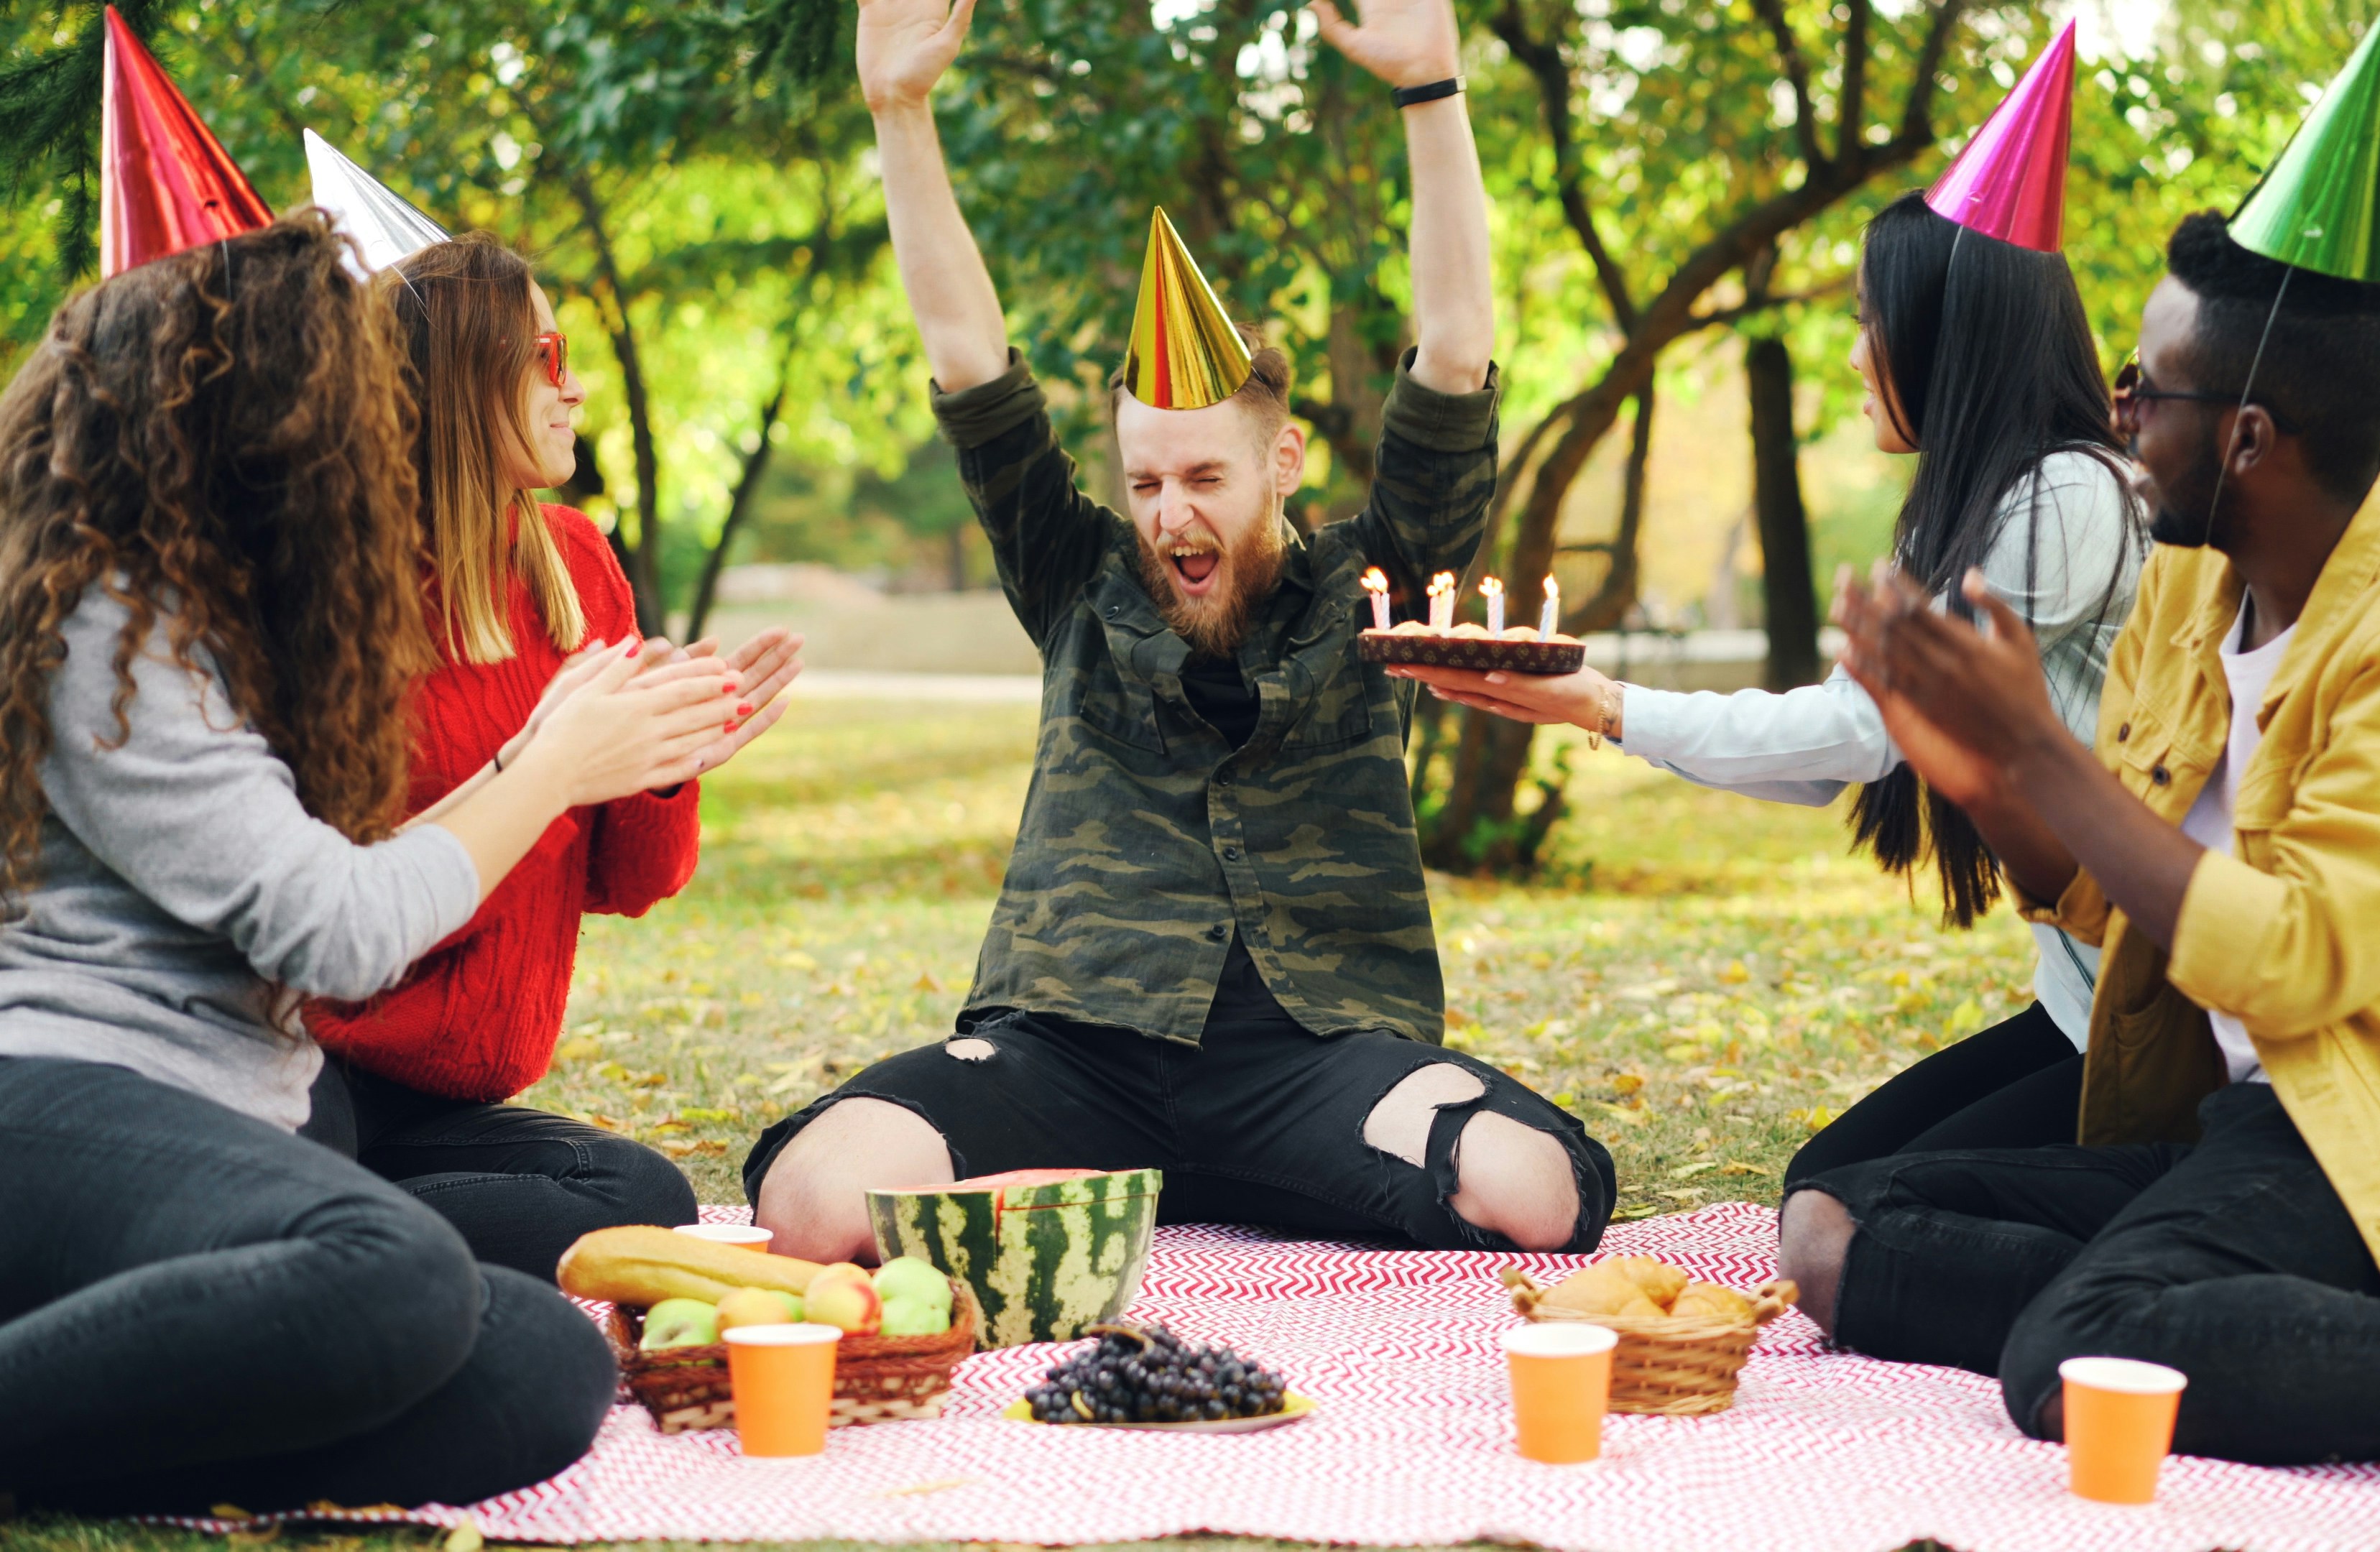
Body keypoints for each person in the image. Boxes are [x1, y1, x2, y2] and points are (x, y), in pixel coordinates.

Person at [1786, 17, 2380, 1468]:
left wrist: (2041, 755)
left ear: (2249, 438)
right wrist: (1990, 781)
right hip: (2248, 1124)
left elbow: (2293, 960)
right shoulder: (2190, 585)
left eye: (2146, 391)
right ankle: (2237, 1324)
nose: (2116, 411)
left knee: (2075, 1356)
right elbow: (2106, 900)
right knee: (1836, 1224)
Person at [745, 0, 1614, 1264]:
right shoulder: (1075, 573)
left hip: (1314, 1065)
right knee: (818, 1201)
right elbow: (969, 359)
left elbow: (1455, 350)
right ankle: (1103, 1182)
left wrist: (1433, 92)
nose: (1168, 514)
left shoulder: (1376, 587)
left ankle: (1189, 1190)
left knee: (1534, 1191)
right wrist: (900, 109)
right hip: (1069, 1055)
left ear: (1283, 464)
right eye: (1146, 481)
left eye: (1204, 476)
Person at [0, 215, 744, 1512]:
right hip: (66, 1095)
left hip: (238, 1126)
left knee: (543, 1366)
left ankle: (90, 1435)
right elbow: (337, 933)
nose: (373, 435)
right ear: (243, 425)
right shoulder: (112, 628)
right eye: (342, 404)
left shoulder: (241, 617)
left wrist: (599, 751)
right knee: (398, 1272)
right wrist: (549, 763)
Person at [1396, 29, 2141, 1174]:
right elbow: (1837, 761)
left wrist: (1605, 704)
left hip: (2151, 1034)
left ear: (1947, 338)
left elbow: (1856, 733)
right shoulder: (1997, 504)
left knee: (1851, 1212)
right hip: (2080, 1009)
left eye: (1868, 320)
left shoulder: (2070, 499)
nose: (1855, 355)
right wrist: (1602, 708)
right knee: (1830, 1185)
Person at [300, 234, 803, 1280]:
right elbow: (352, 928)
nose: (573, 388)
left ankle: (327, 1229)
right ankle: (311, 1222)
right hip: (310, 1067)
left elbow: (629, 882)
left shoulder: (574, 562)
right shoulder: (341, 593)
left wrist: (665, 762)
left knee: (645, 1198)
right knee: (298, 1162)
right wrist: (549, 775)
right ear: (461, 378)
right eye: (546, 357)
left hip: (442, 1101)